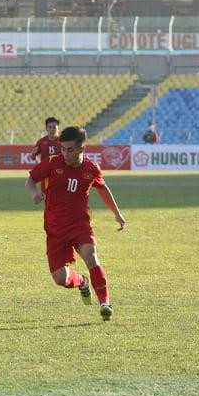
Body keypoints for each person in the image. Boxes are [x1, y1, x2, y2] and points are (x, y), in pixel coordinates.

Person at [25, 126, 126, 321]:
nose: (65, 153)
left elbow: (103, 189)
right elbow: (30, 180)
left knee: (91, 255)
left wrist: (117, 213)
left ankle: (104, 303)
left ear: (81, 148)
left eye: (69, 149)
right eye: (62, 148)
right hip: (55, 229)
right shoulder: (53, 163)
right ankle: (82, 282)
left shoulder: (91, 168)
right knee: (60, 278)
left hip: (79, 224)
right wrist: (35, 193)